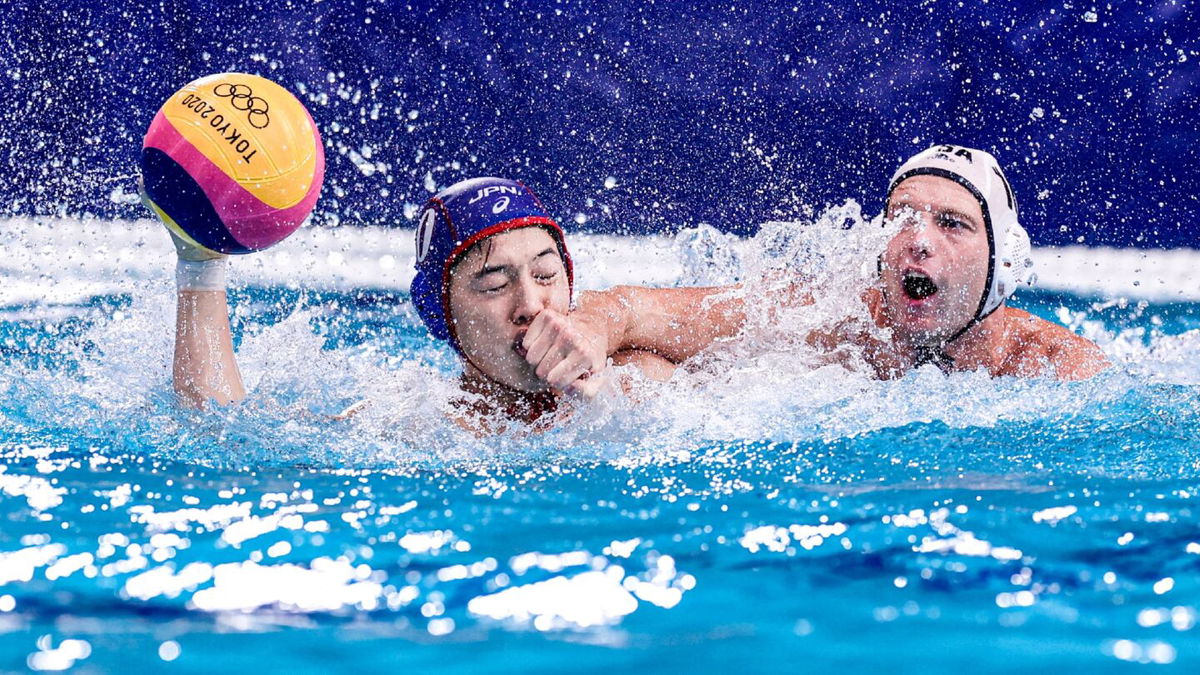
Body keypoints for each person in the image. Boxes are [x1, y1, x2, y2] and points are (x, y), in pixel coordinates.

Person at [546, 144, 1110, 381]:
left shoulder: (1054, 367)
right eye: (903, 217)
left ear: (1001, 266)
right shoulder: (824, 313)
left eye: (953, 223)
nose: (917, 240)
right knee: (645, 372)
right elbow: (630, 308)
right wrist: (589, 335)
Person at [161, 175, 672, 432]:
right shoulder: (418, 425)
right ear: (440, 314)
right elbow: (219, 429)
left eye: (545, 274)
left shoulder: (641, 376)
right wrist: (201, 267)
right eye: (494, 284)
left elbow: (753, 315)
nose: (531, 304)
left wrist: (610, 407)